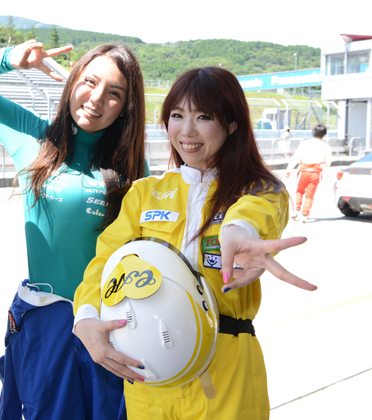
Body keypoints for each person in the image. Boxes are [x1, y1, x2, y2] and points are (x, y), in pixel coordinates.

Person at [74, 66, 317, 420]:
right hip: (147, 378)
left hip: (226, 373)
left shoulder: (261, 190)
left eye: (203, 117)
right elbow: (105, 263)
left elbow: (256, 214)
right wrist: (84, 317)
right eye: (177, 115)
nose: (187, 131)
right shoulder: (144, 193)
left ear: (232, 124)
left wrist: (240, 229)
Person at [0, 40, 149, 420]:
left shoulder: (131, 164)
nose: (96, 98)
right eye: (89, 82)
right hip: (46, 323)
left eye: (114, 93)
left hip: (109, 324)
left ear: (127, 106)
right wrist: (11, 59)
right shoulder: (34, 138)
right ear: (72, 80)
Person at [285, 123, 331, 222]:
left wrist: (289, 170)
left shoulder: (305, 143)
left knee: (299, 191)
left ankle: (296, 210)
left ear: (313, 132)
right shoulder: (327, 147)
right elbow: (328, 163)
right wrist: (324, 171)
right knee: (310, 195)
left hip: (304, 170)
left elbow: (296, 157)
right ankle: (304, 215)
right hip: (316, 172)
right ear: (324, 134)